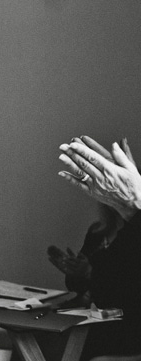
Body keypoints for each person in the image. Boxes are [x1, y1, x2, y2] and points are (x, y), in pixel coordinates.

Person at [58, 136, 141, 359]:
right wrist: (77, 273)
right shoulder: (100, 231)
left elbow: (127, 290)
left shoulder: (131, 235)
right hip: (99, 319)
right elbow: (85, 286)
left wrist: (135, 204)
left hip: (124, 330)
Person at [48, 203, 124, 304]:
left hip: (117, 309)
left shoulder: (134, 237)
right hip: (87, 308)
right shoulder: (96, 232)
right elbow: (76, 287)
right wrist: (74, 271)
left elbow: (126, 288)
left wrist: (89, 272)